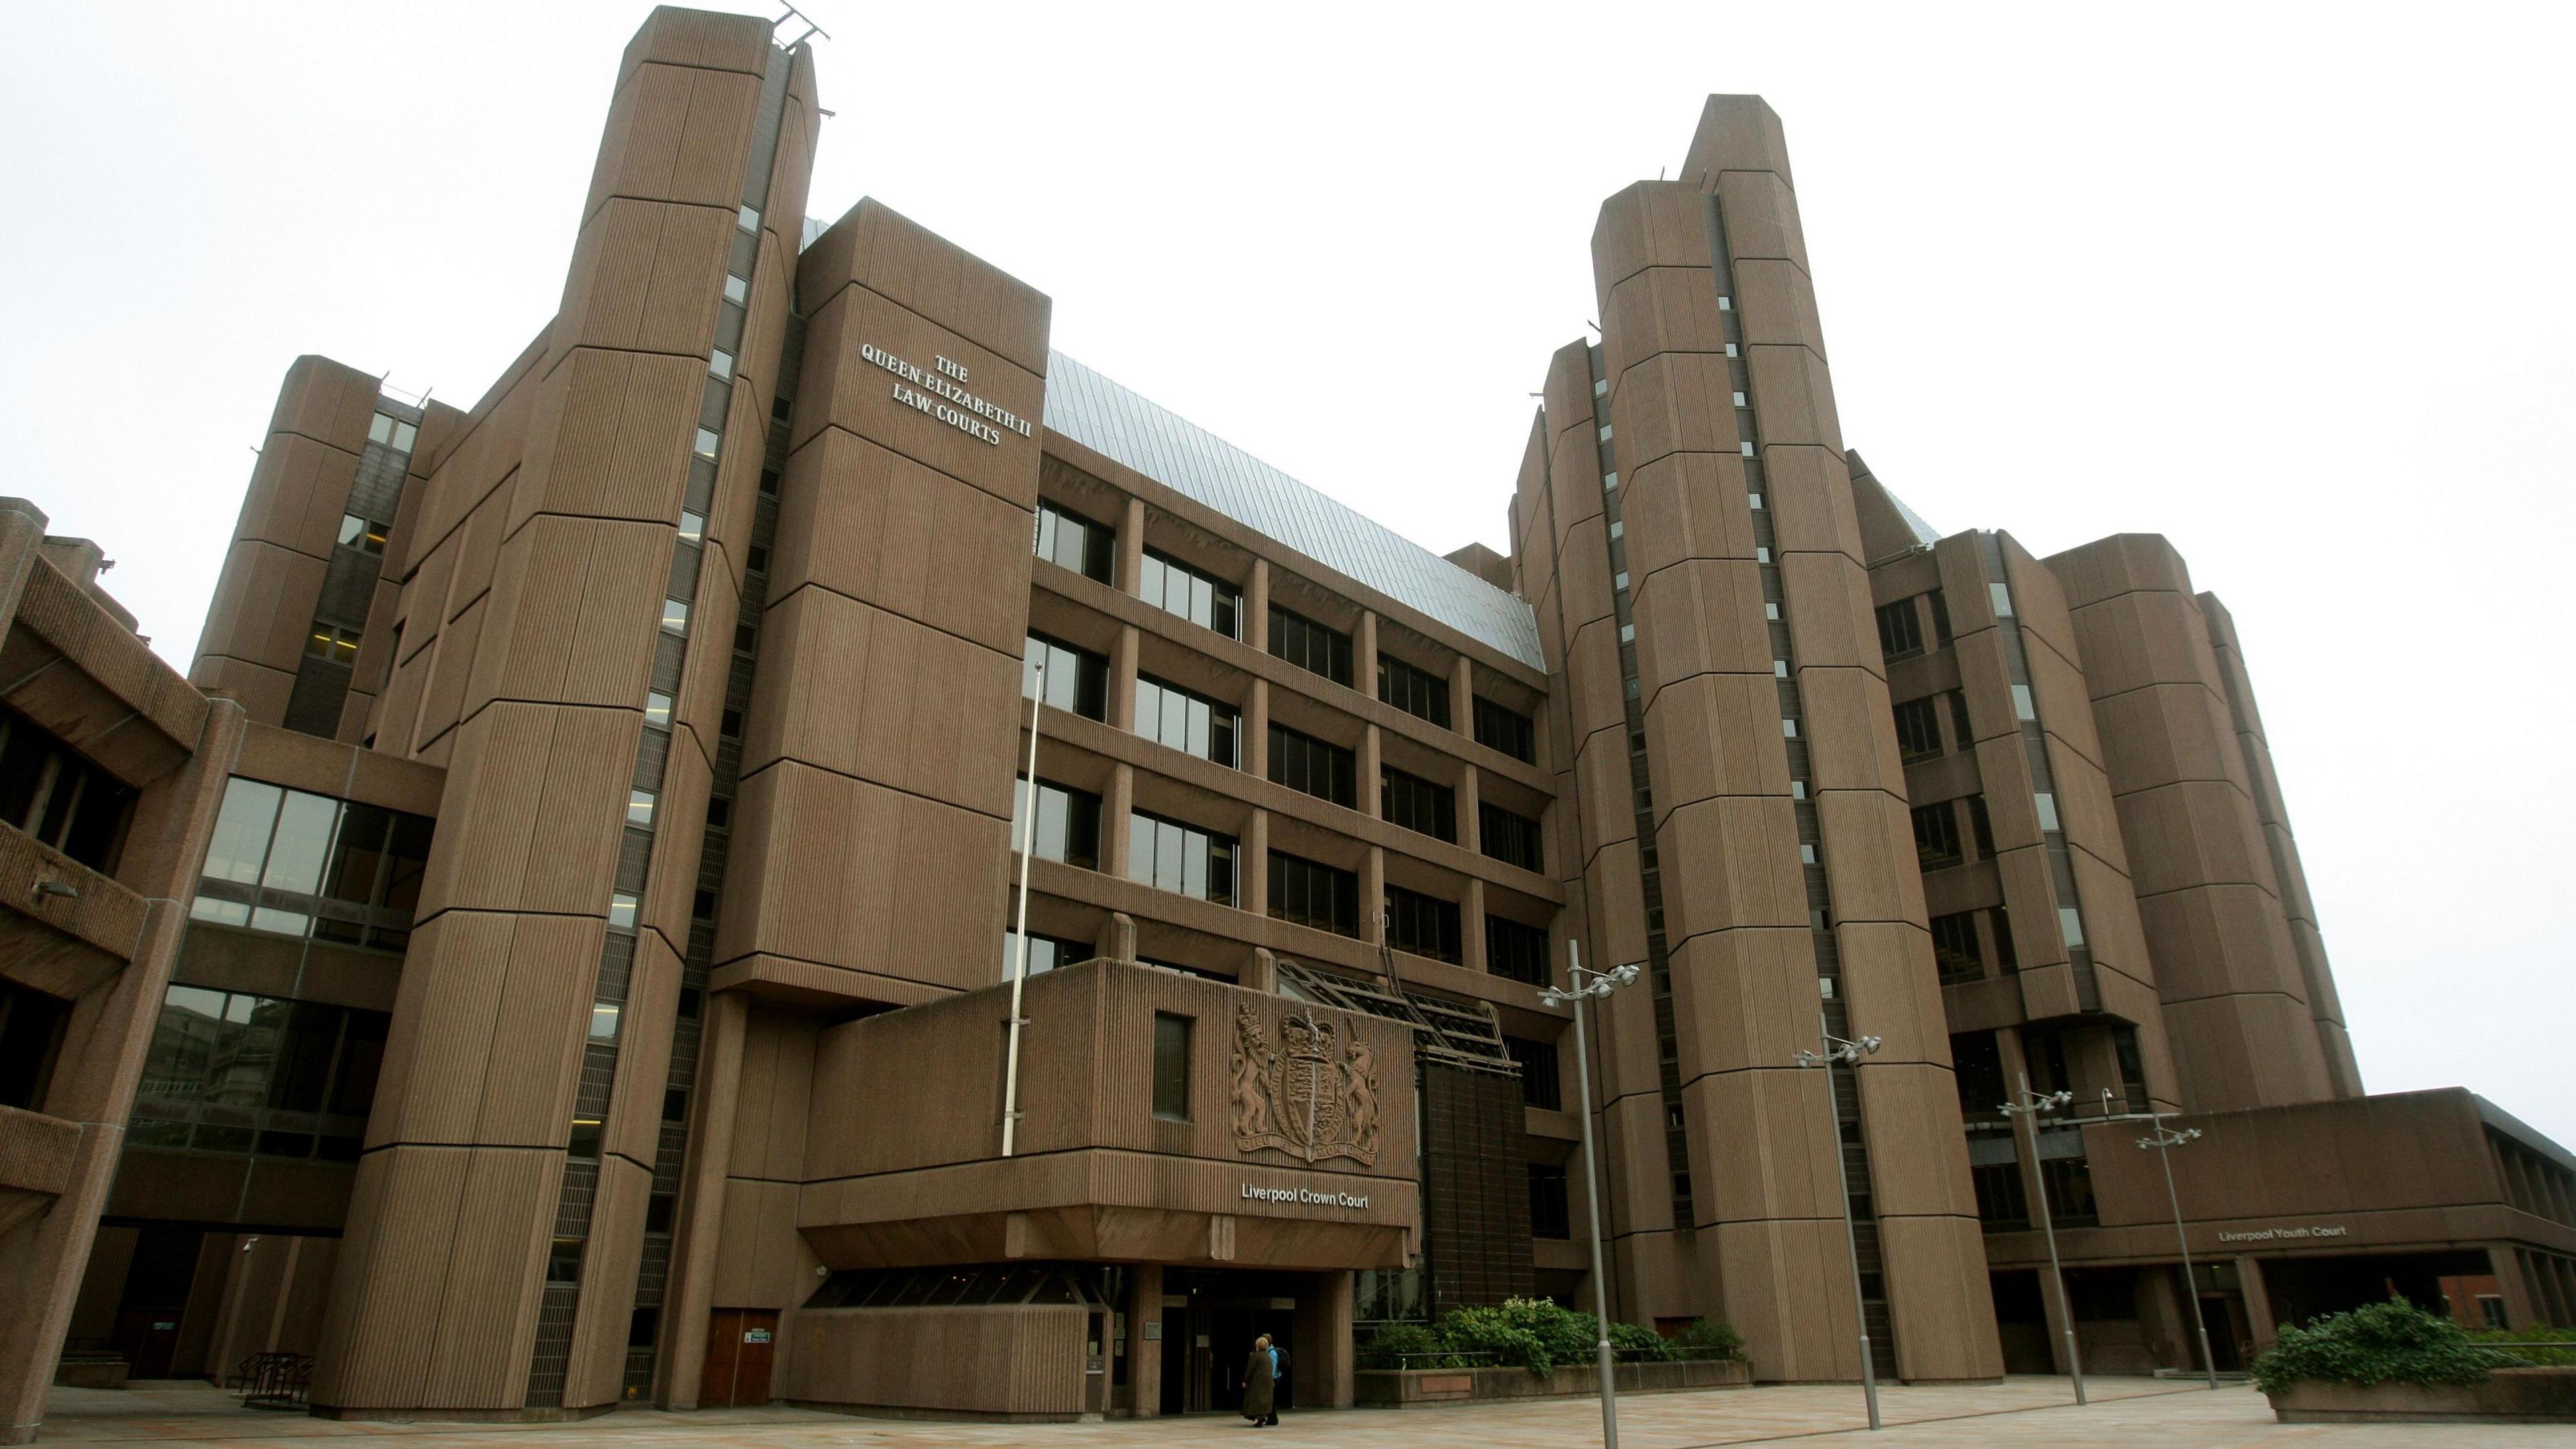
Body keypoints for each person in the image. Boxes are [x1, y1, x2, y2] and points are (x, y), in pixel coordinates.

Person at [1241, 1334, 1276, 1428]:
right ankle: (1263, 1416)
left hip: (1257, 1382)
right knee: (1264, 1400)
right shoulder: (1268, 1356)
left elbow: (1250, 1369)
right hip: (1268, 1382)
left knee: (1256, 1399)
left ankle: (1258, 1416)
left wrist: (1246, 1380)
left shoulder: (1256, 1356)